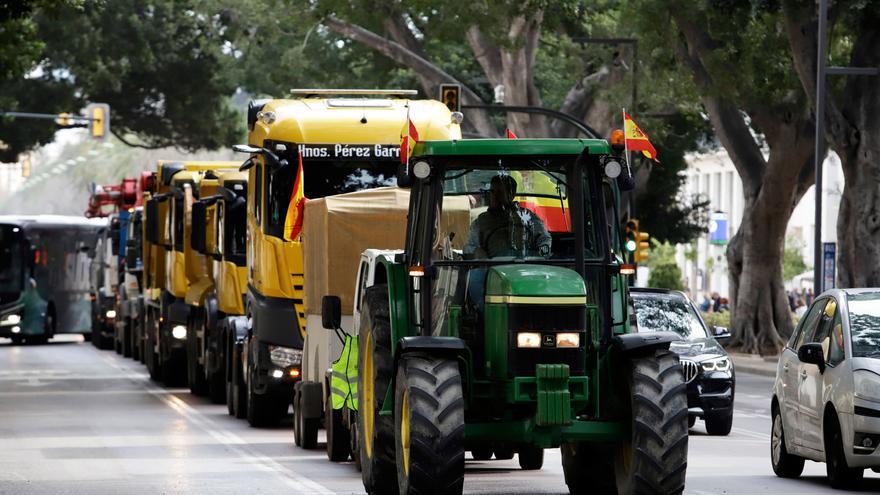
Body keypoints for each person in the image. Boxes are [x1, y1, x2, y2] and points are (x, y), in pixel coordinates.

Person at [463, 174, 551, 259]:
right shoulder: (481, 221)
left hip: (525, 266)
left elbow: (544, 238)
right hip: (491, 268)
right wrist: (478, 252)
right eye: (492, 191)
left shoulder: (527, 216)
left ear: (511, 195)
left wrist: (540, 255)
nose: (495, 196)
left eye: (500, 192)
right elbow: (469, 246)